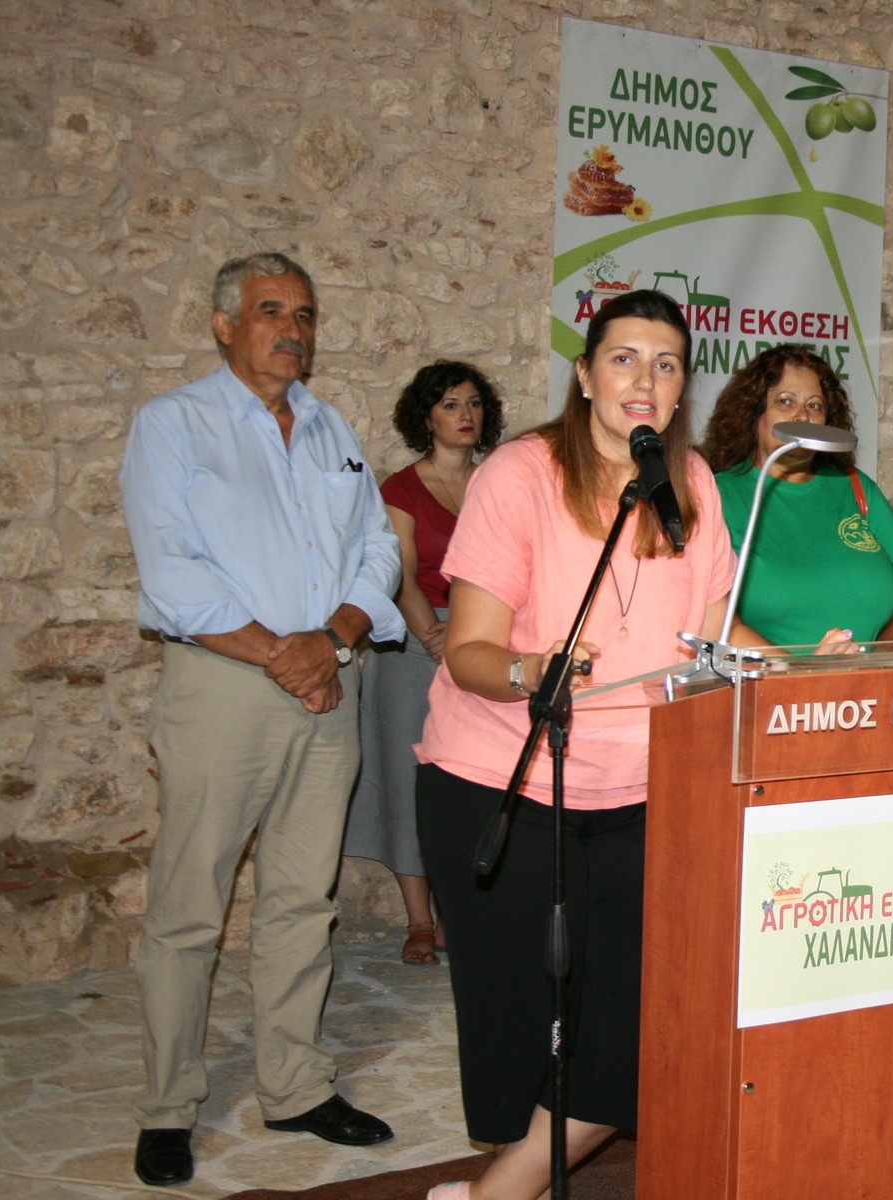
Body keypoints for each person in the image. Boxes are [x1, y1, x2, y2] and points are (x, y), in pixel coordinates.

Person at [413, 291, 812, 1200]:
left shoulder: (692, 482)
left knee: (636, 1029)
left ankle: (496, 1196)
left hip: (641, 792)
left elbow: (717, 633)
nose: (645, 379)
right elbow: (470, 649)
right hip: (503, 782)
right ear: (585, 375)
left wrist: (804, 667)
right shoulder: (518, 474)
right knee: (523, 1027)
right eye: (624, 358)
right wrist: (531, 670)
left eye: (666, 364)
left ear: (682, 388)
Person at [119, 253, 402, 1188]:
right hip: (225, 688)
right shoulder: (174, 425)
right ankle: (168, 1108)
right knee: (188, 909)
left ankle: (294, 1085)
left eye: (305, 314)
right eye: (271, 310)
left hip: (328, 684)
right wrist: (288, 653)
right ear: (223, 325)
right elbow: (173, 571)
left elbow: (376, 548)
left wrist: (334, 638)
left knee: (301, 899)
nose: (292, 329)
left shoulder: (333, 431)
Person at [343, 361, 504, 965]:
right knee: (408, 779)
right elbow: (400, 574)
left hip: (485, 639)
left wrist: (470, 636)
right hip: (416, 643)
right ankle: (418, 921)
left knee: (475, 781)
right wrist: (434, 635)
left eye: (473, 403)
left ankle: (459, 913)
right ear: (426, 418)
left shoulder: (498, 481)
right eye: (450, 405)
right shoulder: (402, 489)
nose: (465, 415)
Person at [702, 344, 893, 644]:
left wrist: (881, 658)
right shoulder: (717, 495)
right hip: (771, 674)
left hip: (872, 673)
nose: (802, 416)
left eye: (815, 406)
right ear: (754, 414)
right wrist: (802, 670)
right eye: (785, 401)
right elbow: (714, 623)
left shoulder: (854, 485)